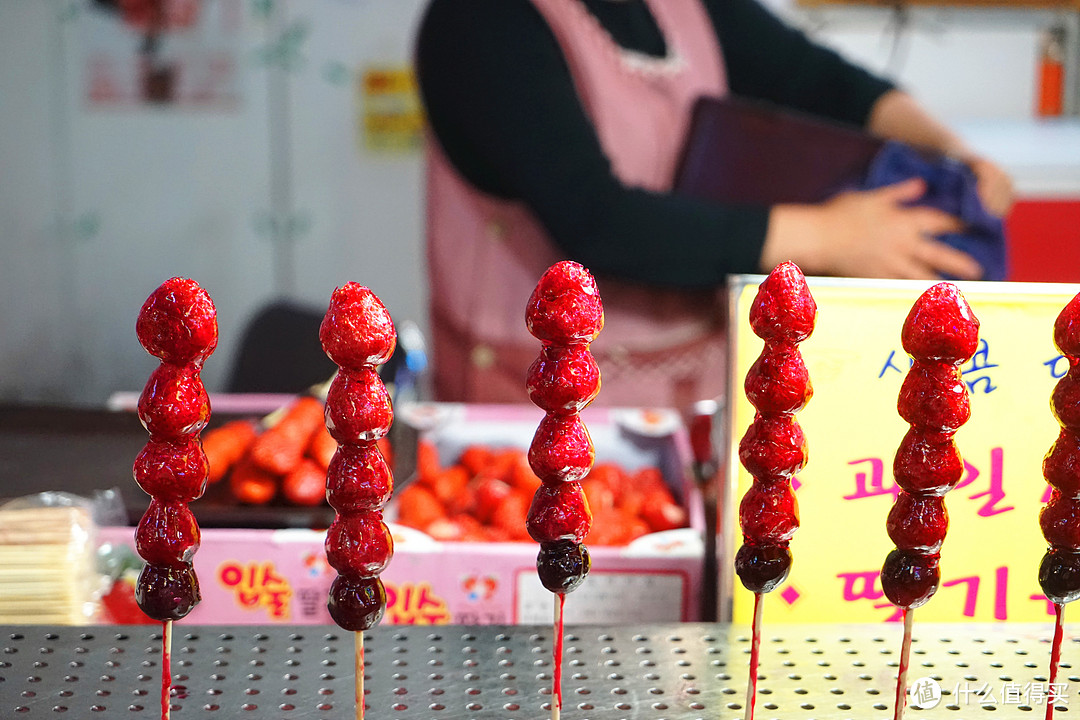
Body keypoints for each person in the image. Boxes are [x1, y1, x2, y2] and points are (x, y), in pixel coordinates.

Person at [414, 0, 1014, 408]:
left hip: (699, 393)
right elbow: (600, 221)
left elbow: (815, 79)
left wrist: (950, 151)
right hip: (539, 414)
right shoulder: (482, 21)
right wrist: (830, 237)